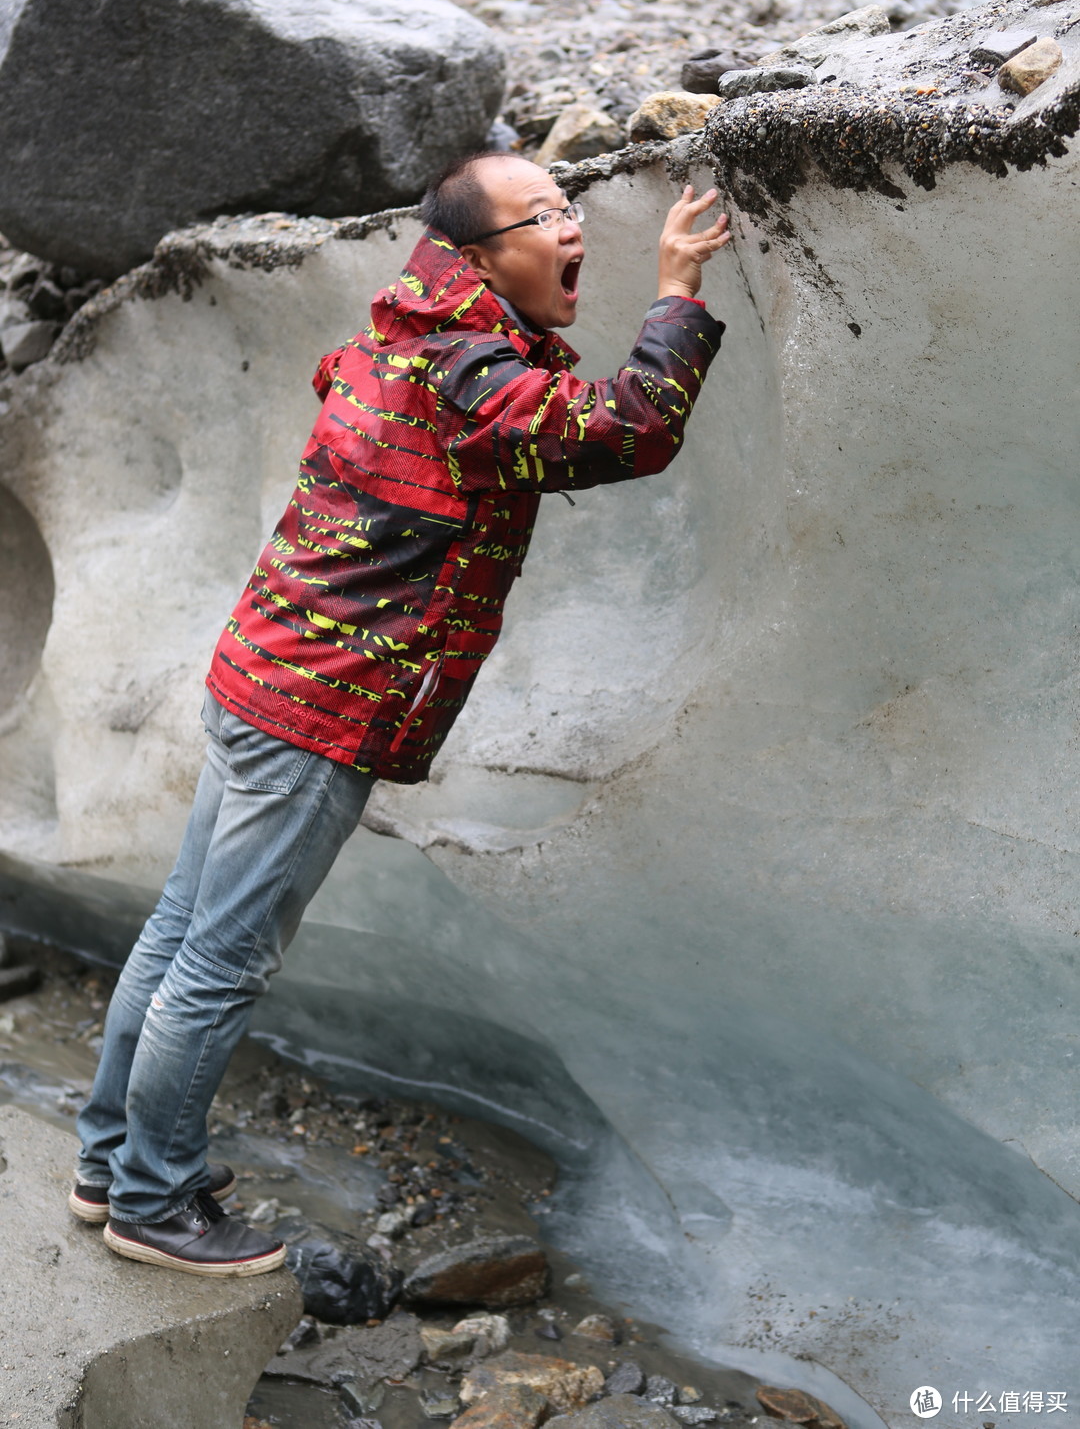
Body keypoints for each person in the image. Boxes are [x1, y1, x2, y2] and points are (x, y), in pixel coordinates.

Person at [70, 152, 732, 1275]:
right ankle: (152, 1202)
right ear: (481, 254)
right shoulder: (467, 371)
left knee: (181, 931)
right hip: (317, 711)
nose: (574, 228)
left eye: (573, 205)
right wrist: (675, 297)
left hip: (261, 677)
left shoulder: (409, 326)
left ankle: (107, 1162)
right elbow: (618, 432)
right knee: (219, 961)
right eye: (549, 215)